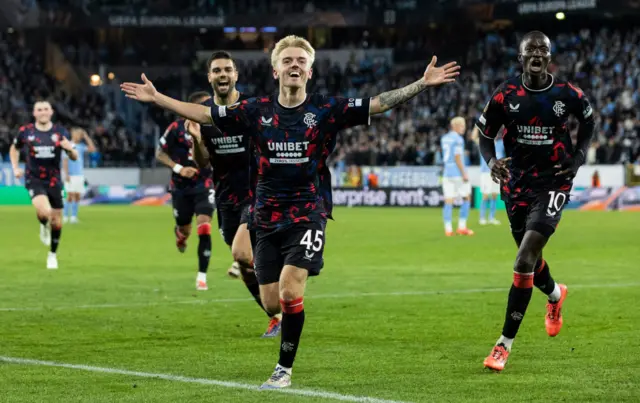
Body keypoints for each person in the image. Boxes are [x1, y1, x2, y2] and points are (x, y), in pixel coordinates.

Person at [121, 34, 459, 388]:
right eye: (288, 60)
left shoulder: (326, 110)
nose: (294, 65)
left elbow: (378, 104)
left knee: (289, 290)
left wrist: (422, 83)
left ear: (310, 71)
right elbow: (205, 113)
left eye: (301, 61)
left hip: (308, 211)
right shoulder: (256, 111)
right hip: (265, 215)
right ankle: (285, 310)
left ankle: (283, 370)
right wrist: (158, 98)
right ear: (276, 69)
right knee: (271, 303)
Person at [475, 31, 595, 371]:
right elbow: (485, 134)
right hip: (515, 185)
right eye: (531, 50)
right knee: (530, 260)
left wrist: (579, 157)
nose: (538, 53)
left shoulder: (567, 93)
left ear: (550, 56)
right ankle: (556, 295)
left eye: (543, 49)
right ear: (521, 57)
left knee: (524, 258)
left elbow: (589, 121)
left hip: (555, 182)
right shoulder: (505, 94)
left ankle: (503, 346)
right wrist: (490, 161)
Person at [188, 50, 282, 337]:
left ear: (236, 75)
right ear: (210, 77)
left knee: (241, 253)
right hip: (226, 197)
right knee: (245, 266)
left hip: (257, 192)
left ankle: (282, 290)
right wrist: (195, 139)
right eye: (217, 70)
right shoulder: (204, 115)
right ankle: (276, 315)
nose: (223, 75)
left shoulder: (250, 109)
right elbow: (203, 162)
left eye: (227, 69)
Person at [156, 91, 215, 291]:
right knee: (185, 228)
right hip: (181, 186)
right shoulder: (175, 128)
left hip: (205, 183)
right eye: (205, 103)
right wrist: (179, 169)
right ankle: (181, 234)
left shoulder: (213, 126)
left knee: (204, 225)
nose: (209, 106)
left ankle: (202, 276)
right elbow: (159, 153)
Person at [9, 100, 78, 269]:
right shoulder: (26, 132)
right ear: (34, 113)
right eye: (39, 109)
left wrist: (69, 149)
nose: (43, 112)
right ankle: (43, 224)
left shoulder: (60, 132)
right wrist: (15, 167)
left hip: (54, 180)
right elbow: (14, 148)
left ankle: (52, 255)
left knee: (56, 220)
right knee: (45, 211)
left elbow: (74, 156)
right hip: (34, 178)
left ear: (51, 112)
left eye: (45, 109)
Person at [440, 117, 473, 236]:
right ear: (456, 126)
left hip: (447, 172)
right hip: (457, 173)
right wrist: (464, 173)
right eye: (462, 126)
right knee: (467, 198)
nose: (464, 128)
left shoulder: (444, 138)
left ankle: (448, 229)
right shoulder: (458, 139)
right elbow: (457, 157)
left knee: (449, 200)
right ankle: (462, 227)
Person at [472, 125, 504, 225]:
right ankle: (482, 218)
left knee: (494, 196)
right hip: (486, 173)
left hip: (497, 173)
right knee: (485, 195)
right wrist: (477, 125)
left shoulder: (500, 144)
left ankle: (491, 217)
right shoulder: (484, 143)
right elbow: (473, 137)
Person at [63, 127, 96, 223]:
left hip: (79, 174)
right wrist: (67, 174)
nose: (80, 137)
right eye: (79, 135)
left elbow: (93, 149)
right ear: (73, 135)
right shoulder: (68, 145)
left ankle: (73, 217)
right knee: (69, 195)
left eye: (81, 135)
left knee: (77, 195)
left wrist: (86, 137)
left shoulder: (81, 146)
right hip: (71, 174)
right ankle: (65, 216)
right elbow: (65, 161)